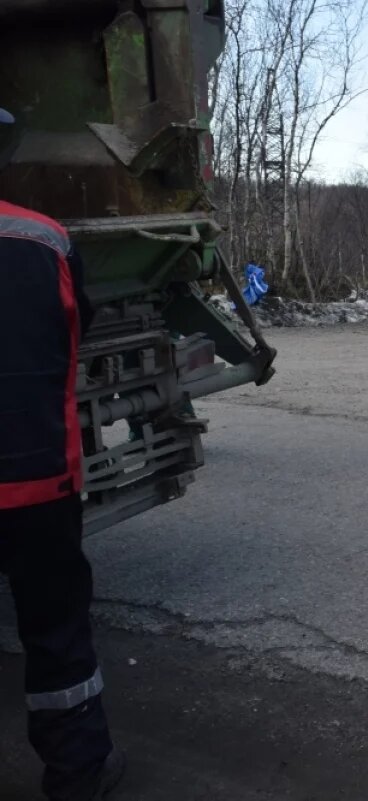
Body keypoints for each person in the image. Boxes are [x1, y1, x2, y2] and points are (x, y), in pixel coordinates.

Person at [0, 105, 125, 801]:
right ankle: (78, 772)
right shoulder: (45, 240)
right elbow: (79, 327)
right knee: (55, 633)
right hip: (39, 480)